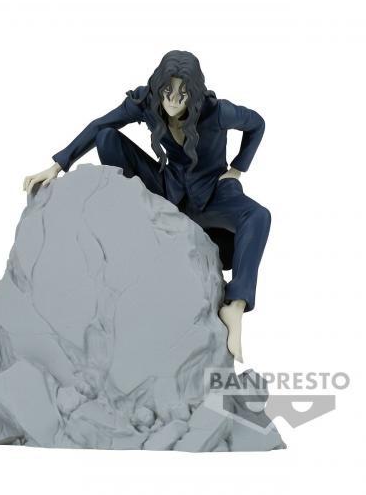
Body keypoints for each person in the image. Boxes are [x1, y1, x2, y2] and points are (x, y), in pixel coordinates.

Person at [23, 50, 271, 363]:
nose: (173, 100)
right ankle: (130, 217)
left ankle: (234, 307)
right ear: (158, 87)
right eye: (168, 91)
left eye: (182, 93)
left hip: (210, 196)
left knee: (259, 216)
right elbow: (100, 125)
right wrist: (57, 165)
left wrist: (238, 167)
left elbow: (257, 123)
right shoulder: (147, 102)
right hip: (166, 191)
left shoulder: (218, 112)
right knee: (107, 137)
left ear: (194, 93)